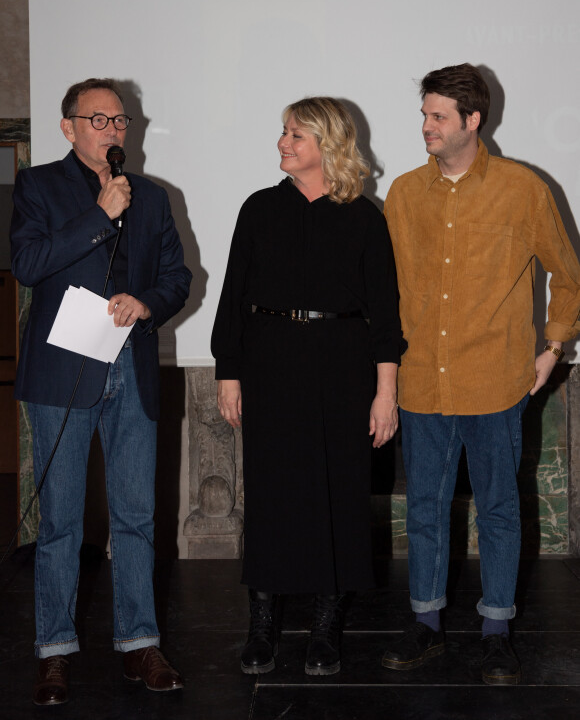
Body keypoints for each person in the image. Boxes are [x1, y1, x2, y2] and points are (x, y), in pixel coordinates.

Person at [382, 63, 580, 685]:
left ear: (473, 120)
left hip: (495, 381)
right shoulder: (405, 194)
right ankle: (426, 624)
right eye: (424, 115)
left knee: (497, 508)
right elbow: (383, 287)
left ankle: (496, 630)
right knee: (425, 510)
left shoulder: (523, 189)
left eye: (439, 116)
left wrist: (552, 349)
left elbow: (567, 275)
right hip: (421, 381)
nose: (427, 127)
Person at [10, 78, 192, 706]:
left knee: (136, 517)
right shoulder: (37, 187)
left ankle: (140, 642)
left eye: (120, 120)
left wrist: (148, 303)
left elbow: (177, 276)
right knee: (61, 521)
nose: (114, 130)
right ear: (68, 128)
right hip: (62, 374)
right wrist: (99, 217)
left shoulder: (155, 198)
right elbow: (29, 265)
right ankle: (54, 653)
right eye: (99, 119)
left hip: (131, 371)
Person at [211, 96, 405, 676]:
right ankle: (263, 627)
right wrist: (228, 370)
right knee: (273, 497)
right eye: (284, 133)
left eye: (295, 134)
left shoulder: (367, 218)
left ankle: (325, 630)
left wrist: (385, 392)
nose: (282, 142)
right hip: (270, 364)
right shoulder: (258, 209)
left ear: (327, 143)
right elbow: (231, 299)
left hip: (343, 369)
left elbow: (387, 317)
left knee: (339, 498)